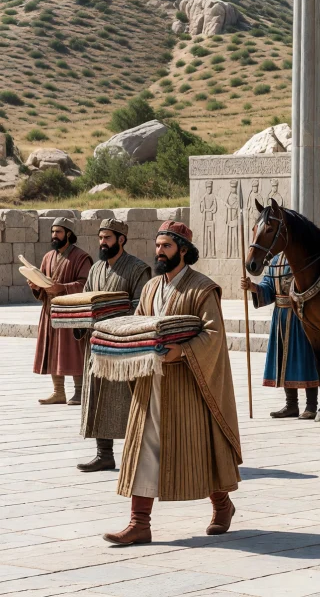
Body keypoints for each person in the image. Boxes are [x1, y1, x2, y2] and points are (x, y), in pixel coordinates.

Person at [103, 221, 241, 546]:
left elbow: (214, 336)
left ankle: (223, 506)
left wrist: (181, 351)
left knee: (199, 447)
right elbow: (139, 322)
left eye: (166, 245)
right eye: (157, 245)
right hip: (151, 381)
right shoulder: (151, 287)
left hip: (188, 384)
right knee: (143, 448)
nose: (159, 251)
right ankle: (139, 523)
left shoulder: (202, 288)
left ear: (182, 249)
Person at [76, 219, 151, 472]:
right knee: (97, 397)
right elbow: (85, 300)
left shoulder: (138, 268)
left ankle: (140, 455)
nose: (102, 243)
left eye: (107, 238)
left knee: (129, 400)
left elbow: (140, 305)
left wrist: (112, 318)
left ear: (121, 239)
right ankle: (104, 454)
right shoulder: (96, 269)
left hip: (122, 345)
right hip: (96, 343)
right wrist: (79, 319)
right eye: (100, 238)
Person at [242, 253, 320, 419]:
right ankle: (291, 405)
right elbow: (268, 287)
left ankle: (311, 405)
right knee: (283, 359)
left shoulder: (307, 255)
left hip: (303, 315)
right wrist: (253, 287)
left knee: (305, 358)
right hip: (281, 316)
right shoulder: (277, 260)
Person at [31, 217, 93, 405]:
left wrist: (62, 288)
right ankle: (58, 391)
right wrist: (36, 285)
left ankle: (80, 391)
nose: (54, 235)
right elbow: (43, 283)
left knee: (73, 350)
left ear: (68, 234)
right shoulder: (48, 257)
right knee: (52, 349)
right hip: (50, 310)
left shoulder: (81, 257)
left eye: (58, 232)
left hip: (71, 311)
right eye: (52, 232)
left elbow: (85, 284)